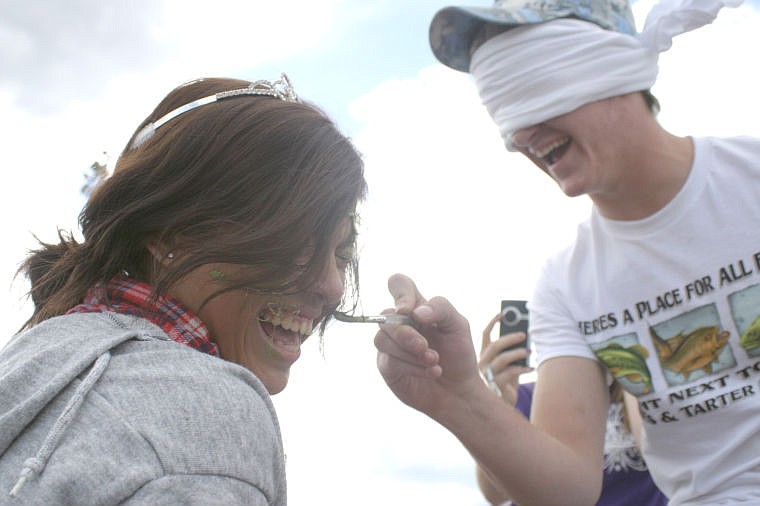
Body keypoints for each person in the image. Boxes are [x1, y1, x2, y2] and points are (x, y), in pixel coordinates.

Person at [373, 0, 760, 503]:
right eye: (505, 109)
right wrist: (460, 396)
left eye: (535, 91)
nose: (520, 137)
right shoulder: (567, 282)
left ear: (611, 68)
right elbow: (568, 491)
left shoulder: (749, 181)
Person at [0, 74, 367, 504]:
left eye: (340, 254)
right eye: (296, 242)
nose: (331, 285)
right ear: (172, 232)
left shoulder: (37, 356)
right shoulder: (209, 416)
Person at [477, 313, 668, 505]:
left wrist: (631, 365)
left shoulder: (650, 389)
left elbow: (665, 459)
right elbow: (496, 495)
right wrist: (498, 406)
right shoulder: (527, 398)